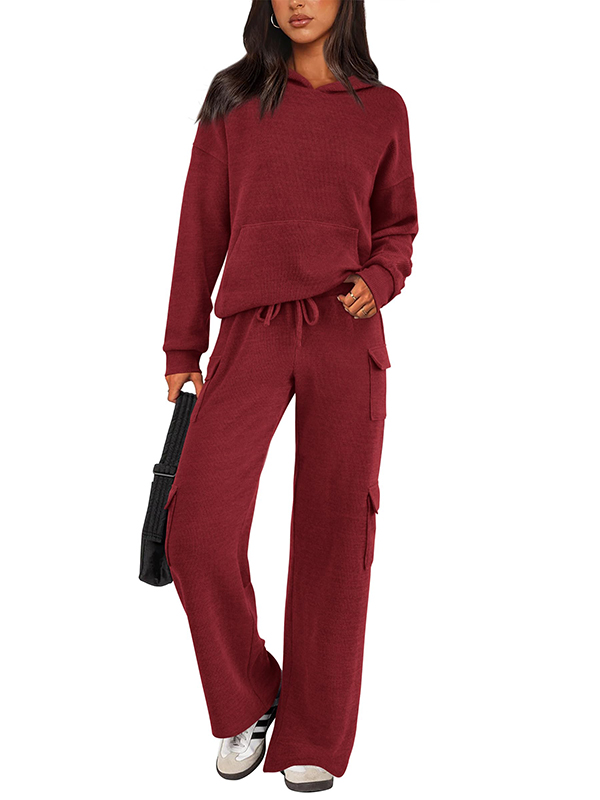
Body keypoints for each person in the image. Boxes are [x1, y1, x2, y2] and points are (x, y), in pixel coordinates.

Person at [160, 0, 418, 792]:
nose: (297, 1)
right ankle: (250, 696)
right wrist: (181, 347)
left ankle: (315, 733)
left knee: (338, 532)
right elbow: (200, 225)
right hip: (253, 328)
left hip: (346, 328)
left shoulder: (383, 110)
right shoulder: (232, 99)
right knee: (195, 529)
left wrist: (380, 279)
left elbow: (399, 227)